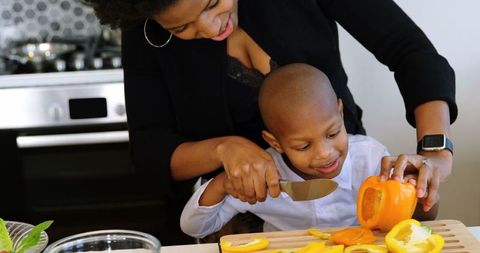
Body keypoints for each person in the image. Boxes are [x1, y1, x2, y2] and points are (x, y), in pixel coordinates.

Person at [86, 0, 456, 242]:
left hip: (349, 202)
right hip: (227, 229)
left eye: (214, 2)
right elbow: (150, 150)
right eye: (182, 28)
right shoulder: (144, 26)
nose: (212, 26)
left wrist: (436, 154)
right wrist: (224, 149)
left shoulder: (363, 157)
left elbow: (410, 52)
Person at [180, 63, 436, 239]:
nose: (325, 153)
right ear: (276, 142)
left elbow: (423, 219)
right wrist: (224, 184)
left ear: (340, 111)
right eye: (303, 146)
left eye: (333, 133)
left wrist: (421, 192)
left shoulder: (371, 158)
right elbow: (195, 227)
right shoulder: (261, 174)